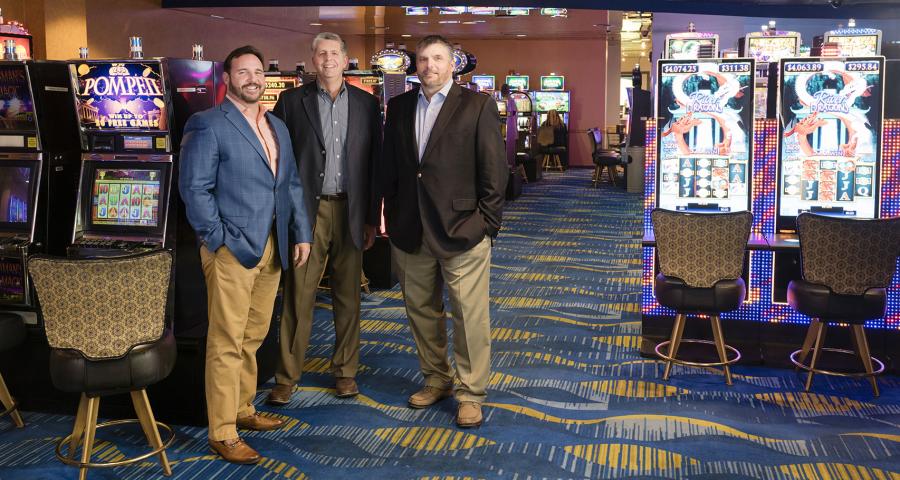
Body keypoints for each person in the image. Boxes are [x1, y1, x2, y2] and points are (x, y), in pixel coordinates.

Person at [179, 45, 312, 465]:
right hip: (232, 248)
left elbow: (290, 185)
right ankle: (222, 431)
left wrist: (301, 232)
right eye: (243, 72)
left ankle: (242, 407)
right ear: (228, 78)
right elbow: (194, 189)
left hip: (272, 245)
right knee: (226, 340)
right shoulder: (207, 124)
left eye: (258, 71)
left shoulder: (276, 125)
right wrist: (217, 238)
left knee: (253, 336)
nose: (253, 78)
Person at [380, 35, 507, 428]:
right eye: (422, 59)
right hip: (410, 229)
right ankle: (436, 379)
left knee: (469, 316)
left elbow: (494, 171)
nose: (428, 66)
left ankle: (471, 393)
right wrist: (392, 214)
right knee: (421, 312)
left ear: (453, 64)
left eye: (437, 59)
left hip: (462, 230)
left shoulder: (477, 105)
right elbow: (392, 169)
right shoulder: (399, 107)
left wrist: (487, 225)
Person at [267, 32, 382, 406]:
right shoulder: (289, 101)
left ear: (346, 60)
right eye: (321, 53)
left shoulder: (368, 104)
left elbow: (373, 166)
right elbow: (281, 163)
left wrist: (371, 218)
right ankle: (287, 376)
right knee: (298, 295)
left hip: (351, 209)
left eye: (334, 53)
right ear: (313, 60)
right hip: (307, 212)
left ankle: (345, 372)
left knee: (348, 296)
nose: (328, 59)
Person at [500, 84, 518, 168]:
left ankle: (508, 166)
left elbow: (512, 113)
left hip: (507, 127)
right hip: (506, 127)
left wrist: (503, 114)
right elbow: (514, 113)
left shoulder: (509, 101)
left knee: (507, 149)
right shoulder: (508, 100)